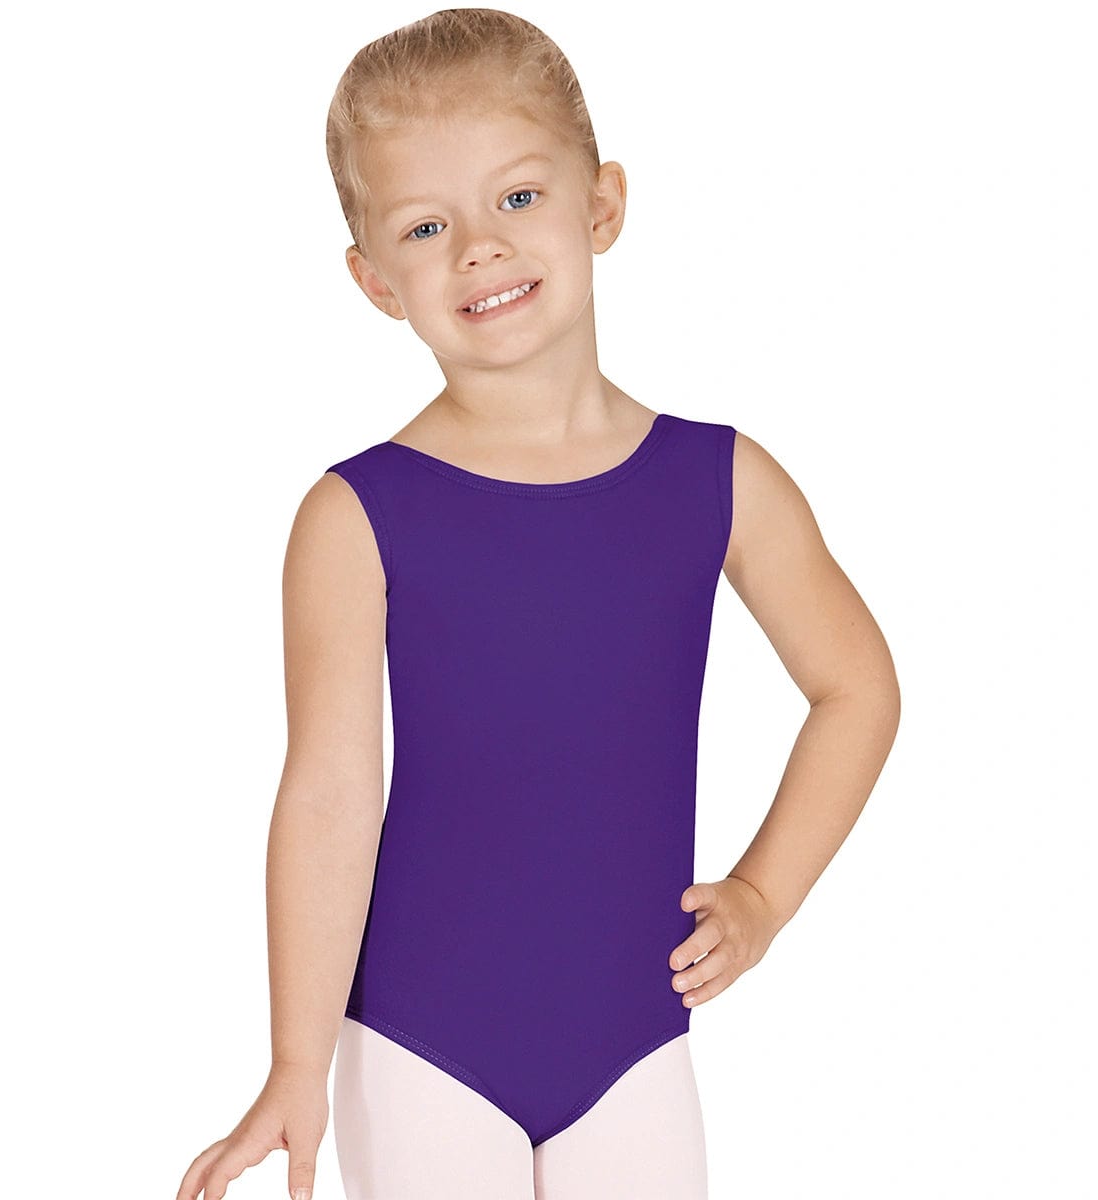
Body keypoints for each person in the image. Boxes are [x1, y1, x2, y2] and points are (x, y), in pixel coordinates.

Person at [177, 9, 901, 1200]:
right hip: (420, 1045)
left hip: (637, 1038)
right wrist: (296, 1063)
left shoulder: (721, 480)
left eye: (518, 197)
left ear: (601, 205)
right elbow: (328, 794)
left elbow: (857, 686)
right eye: (426, 226)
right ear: (374, 279)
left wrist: (765, 895)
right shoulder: (355, 515)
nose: (479, 247)